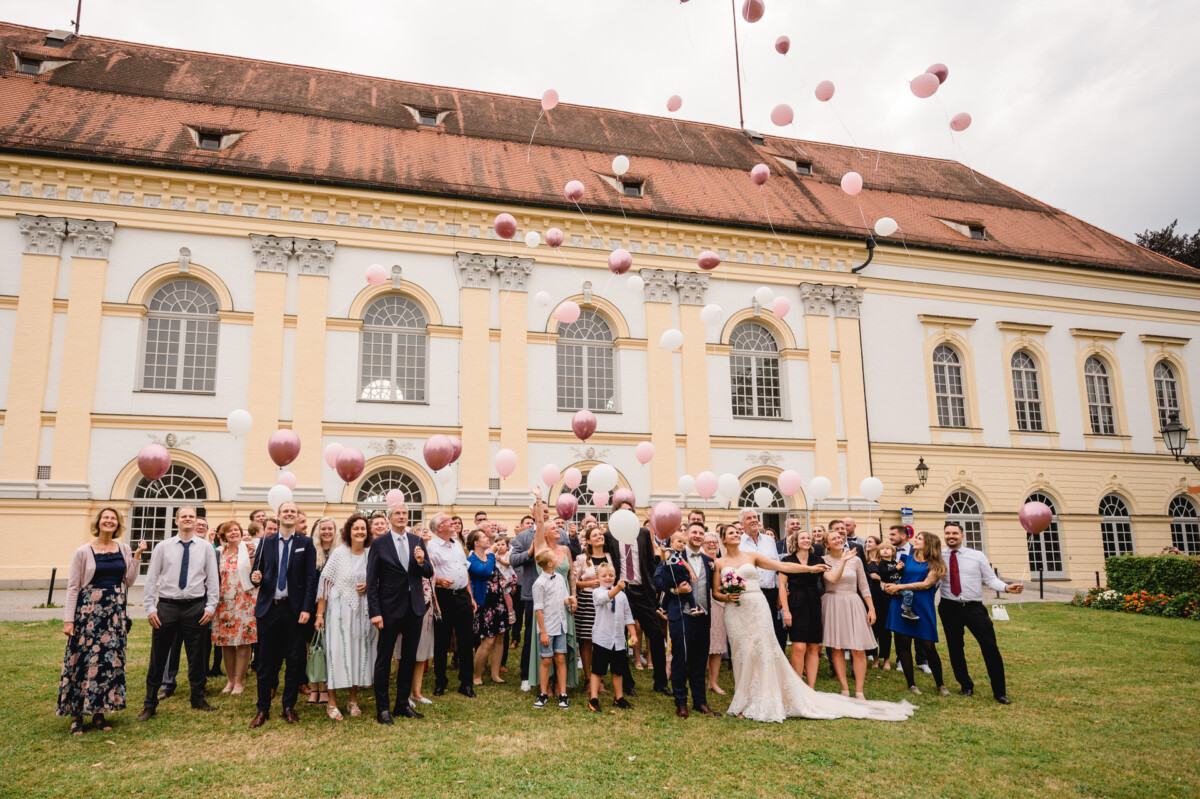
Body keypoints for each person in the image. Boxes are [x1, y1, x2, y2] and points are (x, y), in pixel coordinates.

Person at [713, 525, 914, 723]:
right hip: (735, 612)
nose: (737, 535)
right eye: (731, 533)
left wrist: (808, 568)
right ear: (723, 538)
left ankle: (764, 697)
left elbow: (783, 566)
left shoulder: (751, 556)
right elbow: (716, 593)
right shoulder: (719, 563)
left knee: (762, 651)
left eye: (738, 532)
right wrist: (727, 596)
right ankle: (743, 699)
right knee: (741, 653)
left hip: (757, 608)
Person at [58, 508, 144, 734]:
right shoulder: (83, 551)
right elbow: (74, 586)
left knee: (107, 664)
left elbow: (130, 581)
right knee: (82, 662)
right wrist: (69, 620)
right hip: (88, 615)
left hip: (114, 616)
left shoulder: (123, 549)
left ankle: (99, 713)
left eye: (113, 519)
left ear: (118, 524)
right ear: (98, 523)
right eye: (105, 518)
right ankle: (77, 716)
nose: (109, 521)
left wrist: (136, 557)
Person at [138, 506, 220, 721]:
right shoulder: (163, 547)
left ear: (196, 522)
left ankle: (198, 698)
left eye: (191, 517)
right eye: (183, 516)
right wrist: (150, 608)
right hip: (167, 607)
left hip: (196, 607)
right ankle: (150, 703)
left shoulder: (205, 548)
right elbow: (151, 578)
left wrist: (211, 607)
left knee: (197, 657)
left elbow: (212, 579)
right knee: (159, 656)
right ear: (176, 521)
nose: (187, 519)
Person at [247, 501, 317, 728]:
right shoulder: (266, 542)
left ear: (297, 517)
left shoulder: (305, 543)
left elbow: (310, 579)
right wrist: (254, 578)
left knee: (295, 660)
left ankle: (288, 706)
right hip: (269, 609)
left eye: (293, 512)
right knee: (266, 661)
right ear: (278, 516)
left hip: (294, 610)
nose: (289, 514)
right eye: (285, 511)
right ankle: (262, 708)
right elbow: (256, 573)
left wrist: (307, 608)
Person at [939, 520, 1023, 704]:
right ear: (944, 535)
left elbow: (990, 580)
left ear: (962, 536)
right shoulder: (938, 556)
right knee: (955, 648)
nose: (950, 536)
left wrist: (1007, 588)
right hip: (949, 607)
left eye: (954, 533)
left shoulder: (977, 556)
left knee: (990, 647)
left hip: (973, 608)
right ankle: (965, 685)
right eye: (947, 533)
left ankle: (999, 691)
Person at [366, 503, 433, 724]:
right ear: (389, 519)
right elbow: (371, 580)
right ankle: (383, 708)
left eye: (405, 514)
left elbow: (428, 571)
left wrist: (422, 561)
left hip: (414, 608)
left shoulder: (417, 541)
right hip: (389, 610)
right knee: (384, 659)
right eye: (398, 514)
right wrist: (375, 612)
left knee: (408, 658)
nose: (402, 517)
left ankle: (402, 704)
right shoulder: (379, 544)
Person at [314, 514, 376, 720]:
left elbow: (378, 580)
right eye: (356, 528)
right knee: (337, 653)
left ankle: (353, 700)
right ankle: (331, 703)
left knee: (358, 653)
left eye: (363, 528)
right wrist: (319, 615)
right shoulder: (340, 554)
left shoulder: (370, 554)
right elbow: (325, 583)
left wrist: (369, 586)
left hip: (363, 612)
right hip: (339, 613)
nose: (360, 532)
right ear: (348, 532)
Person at [654, 524, 717, 718]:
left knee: (699, 660)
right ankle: (681, 702)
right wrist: (674, 590)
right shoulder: (674, 554)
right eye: (694, 532)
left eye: (701, 533)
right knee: (680, 660)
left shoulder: (709, 561)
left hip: (703, 615)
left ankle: (700, 701)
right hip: (681, 614)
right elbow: (657, 579)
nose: (698, 536)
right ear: (687, 534)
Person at [510, 507, 574, 692]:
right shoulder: (524, 537)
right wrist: (529, 553)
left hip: (561, 595)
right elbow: (513, 560)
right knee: (533, 636)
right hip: (535, 594)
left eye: (547, 510)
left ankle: (558, 682)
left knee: (561, 638)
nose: (544, 513)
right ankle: (526, 675)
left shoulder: (561, 536)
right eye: (540, 510)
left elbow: (570, 568)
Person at [611, 498, 669, 695]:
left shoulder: (643, 534)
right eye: (622, 511)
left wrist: (655, 586)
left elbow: (651, 563)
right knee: (622, 637)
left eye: (630, 511)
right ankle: (627, 684)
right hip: (621, 591)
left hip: (642, 591)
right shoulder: (610, 535)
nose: (626, 514)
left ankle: (660, 682)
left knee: (656, 634)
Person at [884, 531, 949, 696]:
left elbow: (926, 584)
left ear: (929, 544)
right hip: (901, 604)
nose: (915, 540)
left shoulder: (936, 564)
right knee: (903, 644)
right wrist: (891, 583)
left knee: (928, 645)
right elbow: (894, 576)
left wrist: (899, 587)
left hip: (922, 606)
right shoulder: (906, 559)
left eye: (919, 539)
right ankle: (911, 683)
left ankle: (940, 684)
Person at [822, 527, 879, 699]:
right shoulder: (822, 560)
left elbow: (863, 584)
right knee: (837, 649)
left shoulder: (856, 560)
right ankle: (844, 688)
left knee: (858, 648)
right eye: (834, 539)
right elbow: (833, 579)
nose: (839, 540)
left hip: (853, 602)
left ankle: (859, 690)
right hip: (833, 602)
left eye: (840, 537)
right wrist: (843, 561)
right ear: (826, 544)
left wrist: (871, 608)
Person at [427, 512, 476, 698]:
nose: (453, 523)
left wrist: (470, 596)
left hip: (462, 595)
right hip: (443, 597)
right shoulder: (430, 547)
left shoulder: (457, 545)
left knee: (466, 640)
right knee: (441, 641)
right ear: (439, 527)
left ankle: (467, 683)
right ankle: (441, 682)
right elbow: (428, 573)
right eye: (449, 521)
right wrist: (438, 581)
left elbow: (465, 571)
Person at [212, 521, 257, 695]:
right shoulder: (218, 552)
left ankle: (239, 681)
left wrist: (252, 555)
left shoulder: (249, 548)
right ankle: (230, 681)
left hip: (244, 600)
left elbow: (256, 573)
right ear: (223, 536)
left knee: (243, 641)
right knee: (226, 642)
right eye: (229, 531)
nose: (234, 533)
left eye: (236, 530)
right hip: (223, 601)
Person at [779, 528, 824, 688]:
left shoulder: (817, 559)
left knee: (813, 646)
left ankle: (810, 687)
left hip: (814, 602)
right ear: (796, 541)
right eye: (802, 537)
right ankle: (798, 687)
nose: (806, 540)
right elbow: (782, 587)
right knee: (798, 646)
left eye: (808, 537)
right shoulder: (787, 559)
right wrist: (786, 610)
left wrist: (844, 561)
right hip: (796, 602)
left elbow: (831, 578)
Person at [588, 563, 636, 712]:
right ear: (598, 578)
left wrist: (633, 633)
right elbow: (605, 598)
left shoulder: (622, 595)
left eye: (610, 575)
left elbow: (628, 615)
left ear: (615, 576)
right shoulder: (597, 592)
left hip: (618, 640)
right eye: (604, 576)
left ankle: (619, 697)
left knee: (618, 670)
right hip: (602, 638)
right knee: (598, 670)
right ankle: (593, 698)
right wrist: (617, 589)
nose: (607, 578)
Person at [739, 509, 786, 651]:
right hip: (749, 593)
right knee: (751, 629)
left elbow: (777, 565)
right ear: (742, 523)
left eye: (755, 517)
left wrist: (779, 593)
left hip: (770, 593)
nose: (753, 520)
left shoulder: (769, 540)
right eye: (749, 518)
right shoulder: (738, 542)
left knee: (769, 628)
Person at [467, 527, 508, 685]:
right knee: (488, 640)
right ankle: (476, 675)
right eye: (483, 537)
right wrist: (492, 553)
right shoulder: (471, 561)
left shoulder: (489, 557)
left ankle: (495, 674)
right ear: (476, 543)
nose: (488, 539)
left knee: (499, 638)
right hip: (484, 604)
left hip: (498, 602)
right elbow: (484, 571)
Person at [532, 549, 571, 710]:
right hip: (547, 627)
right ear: (549, 564)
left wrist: (571, 601)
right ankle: (543, 693)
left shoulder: (560, 578)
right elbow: (538, 609)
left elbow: (564, 599)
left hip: (561, 625)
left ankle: (563, 694)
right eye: (555, 557)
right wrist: (543, 632)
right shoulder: (539, 583)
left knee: (560, 659)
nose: (558, 558)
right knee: (546, 660)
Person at [306, 517, 339, 705]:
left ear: (335, 531)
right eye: (323, 528)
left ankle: (326, 688)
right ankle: (313, 689)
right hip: (313, 605)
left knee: (328, 648)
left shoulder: (340, 552)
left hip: (333, 606)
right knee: (312, 647)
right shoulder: (312, 550)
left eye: (330, 528)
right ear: (318, 531)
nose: (326, 532)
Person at [572, 524, 610, 681]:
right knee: (587, 641)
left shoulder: (610, 557)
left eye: (600, 534)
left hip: (606, 603)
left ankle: (599, 678)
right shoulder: (582, 559)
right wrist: (588, 583)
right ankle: (588, 678)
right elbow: (573, 581)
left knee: (601, 641)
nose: (599, 536)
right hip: (587, 603)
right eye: (595, 535)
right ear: (588, 540)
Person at [866, 541, 896, 670]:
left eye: (887, 549)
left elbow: (894, 578)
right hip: (873, 597)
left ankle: (887, 659)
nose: (884, 551)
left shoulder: (892, 565)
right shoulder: (869, 564)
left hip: (886, 597)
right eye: (883, 549)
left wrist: (880, 578)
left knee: (885, 630)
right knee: (873, 629)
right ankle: (875, 658)